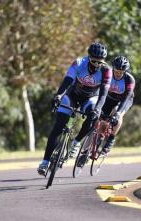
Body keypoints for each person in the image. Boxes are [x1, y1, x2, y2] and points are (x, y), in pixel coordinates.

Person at [37, 42, 113, 175]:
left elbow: (103, 94)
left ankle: (77, 142)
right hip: (72, 95)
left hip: (91, 98)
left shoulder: (107, 71)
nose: (96, 65)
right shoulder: (79, 62)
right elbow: (67, 81)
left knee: (93, 115)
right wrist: (59, 95)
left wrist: (98, 109)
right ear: (89, 58)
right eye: (94, 61)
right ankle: (45, 162)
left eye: (100, 62)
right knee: (58, 127)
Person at [100, 55, 135, 154]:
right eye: (117, 71)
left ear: (125, 71)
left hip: (124, 100)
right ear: (113, 68)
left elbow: (127, 96)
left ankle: (111, 139)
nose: (119, 73)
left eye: (122, 72)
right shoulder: (107, 74)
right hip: (110, 98)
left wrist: (118, 113)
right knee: (102, 121)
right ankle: (97, 139)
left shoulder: (129, 80)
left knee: (116, 112)